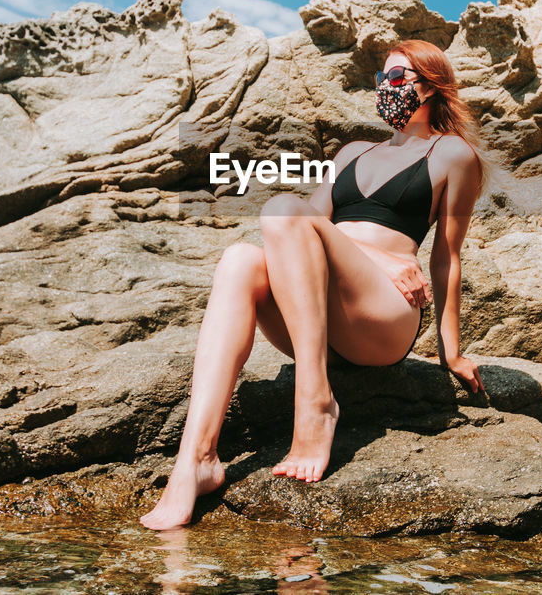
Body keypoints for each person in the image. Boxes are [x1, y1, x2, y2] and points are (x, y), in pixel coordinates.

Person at [140, 39, 492, 530]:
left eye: (396, 79)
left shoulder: (452, 154)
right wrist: (377, 256)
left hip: (382, 315)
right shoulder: (352, 153)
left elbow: (447, 258)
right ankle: (197, 459)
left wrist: (449, 352)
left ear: (430, 87)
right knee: (240, 259)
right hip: (320, 319)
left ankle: (315, 403)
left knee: (279, 208)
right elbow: (307, 224)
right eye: (380, 80)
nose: (385, 89)